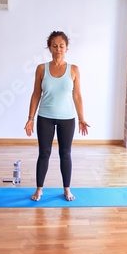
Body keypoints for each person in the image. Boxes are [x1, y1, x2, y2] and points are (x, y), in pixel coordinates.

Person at [24, 31, 89, 202]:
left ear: (66, 48)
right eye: (55, 46)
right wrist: (30, 118)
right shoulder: (41, 69)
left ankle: (67, 189)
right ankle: (39, 190)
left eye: (61, 46)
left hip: (67, 118)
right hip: (45, 117)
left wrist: (82, 119)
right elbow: (36, 94)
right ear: (49, 48)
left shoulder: (73, 69)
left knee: (65, 153)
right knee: (44, 153)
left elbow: (77, 96)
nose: (58, 49)